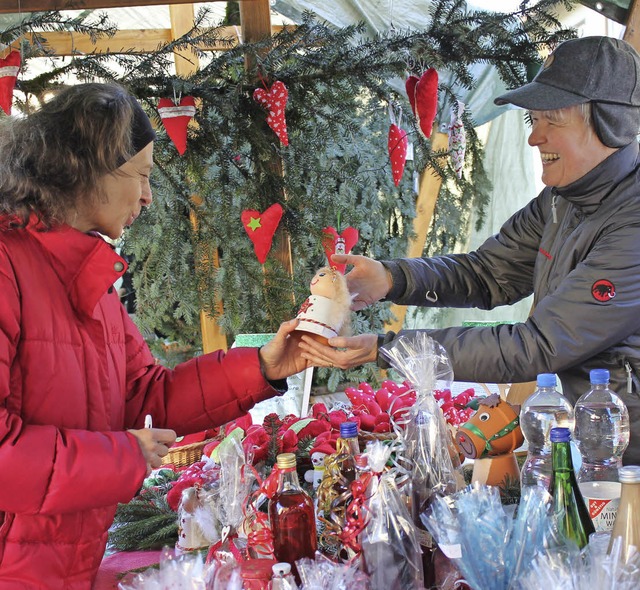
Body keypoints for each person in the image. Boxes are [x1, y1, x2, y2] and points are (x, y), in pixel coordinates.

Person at [0, 82, 310, 588]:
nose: (147, 196)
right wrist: (123, 454)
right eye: (141, 176)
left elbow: (146, 394)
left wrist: (261, 366)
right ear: (90, 169)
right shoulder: (6, 266)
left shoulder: (87, 277)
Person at [298, 36, 640, 466]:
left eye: (553, 120)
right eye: (534, 119)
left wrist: (391, 348)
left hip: (628, 458)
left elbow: (537, 347)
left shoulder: (632, 224)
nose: (535, 137)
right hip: (579, 443)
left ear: (613, 124)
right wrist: (393, 278)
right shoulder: (562, 198)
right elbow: (487, 273)